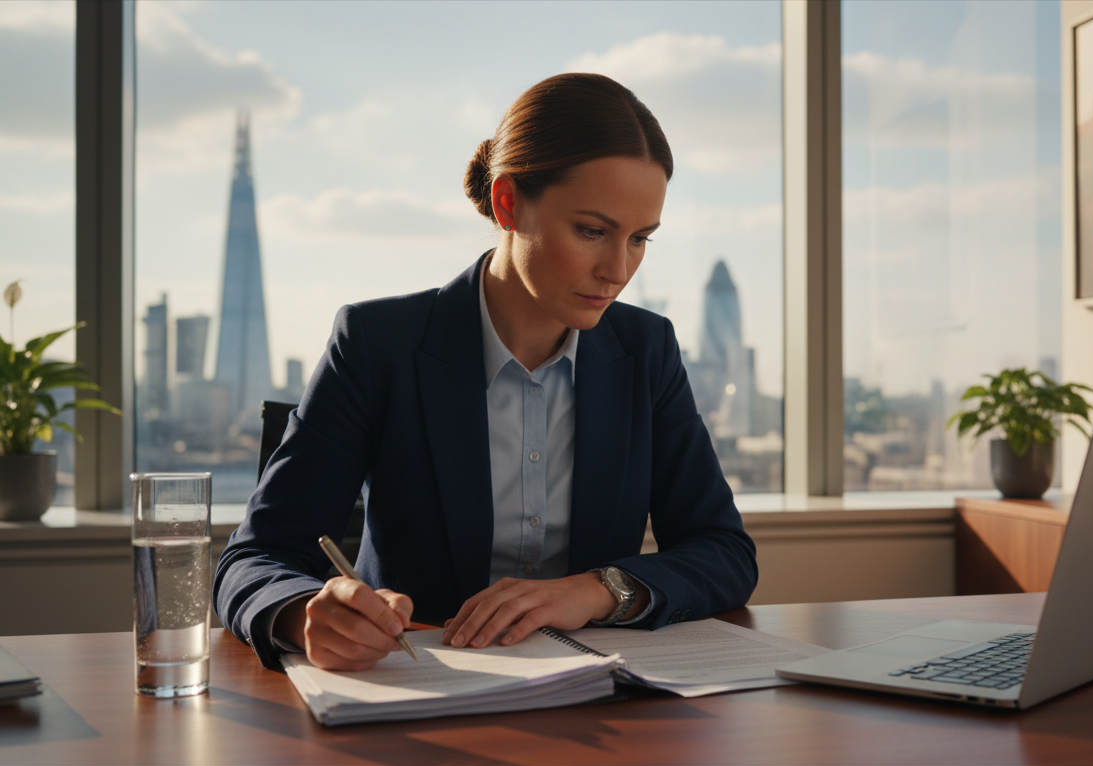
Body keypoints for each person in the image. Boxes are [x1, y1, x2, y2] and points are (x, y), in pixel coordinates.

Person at [214, 73, 758, 672]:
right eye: (593, 231)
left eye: (640, 239)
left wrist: (594, 589)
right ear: (507, 203)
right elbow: (254, 560)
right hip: (418, 701)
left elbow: (724, 552)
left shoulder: (646, 349)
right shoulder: (378, 345)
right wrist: (303, 612)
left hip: (596, 704)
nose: (617, 269)